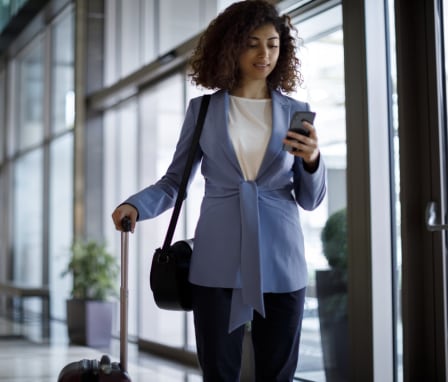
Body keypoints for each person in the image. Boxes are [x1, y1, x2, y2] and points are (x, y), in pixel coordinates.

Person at [112, 1, 326, 380]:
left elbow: (310, 200)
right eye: (253, 43)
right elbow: (175, 181)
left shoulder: (297, 111)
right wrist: (136, 205)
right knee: (219, 372)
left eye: (273, 44)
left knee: (278, 374)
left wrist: (312, 160)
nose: (264, 54)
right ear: (231, 46)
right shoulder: (205, 110)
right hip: (217, 259)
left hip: (281, 259)